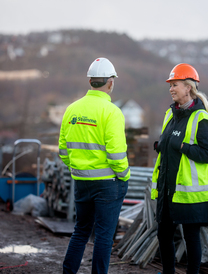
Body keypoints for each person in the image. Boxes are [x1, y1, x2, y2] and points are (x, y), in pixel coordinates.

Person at [58, 57, 130, 274]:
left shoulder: (72, 109)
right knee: (104, 235)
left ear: (90, 81)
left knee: (80, 231)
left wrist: (79, 168)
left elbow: (63, 150)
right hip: (108, 184)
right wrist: (124, 176)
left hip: (81, 181)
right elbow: (117, 155)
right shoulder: (112, 112)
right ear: (110, 82)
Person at [151, 63, 208, 274]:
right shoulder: (170, 115)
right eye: (170, 85)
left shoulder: (202, 118)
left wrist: (183, 147)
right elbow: (168, 144)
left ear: (188, 87)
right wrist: (162, 146)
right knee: (163, 234)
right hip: (167, 190)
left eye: (175, 84)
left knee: (191, 238)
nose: (171, 88)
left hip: (189, 193)